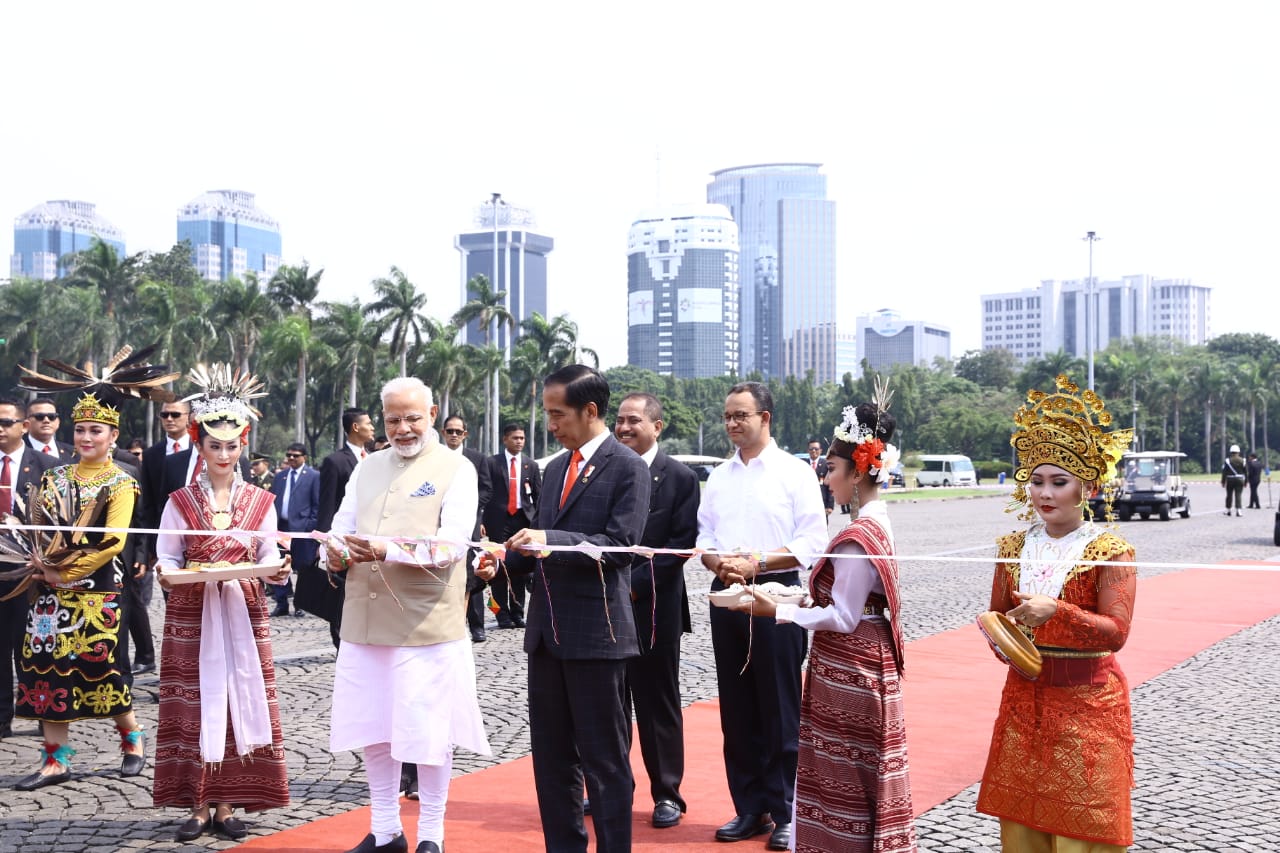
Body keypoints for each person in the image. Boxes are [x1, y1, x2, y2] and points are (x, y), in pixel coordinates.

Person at [732, 389, 916, 851]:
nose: (826, 478)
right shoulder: (876, 520)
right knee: (856, 772)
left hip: (851, 670)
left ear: (857, 472)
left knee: (846, 777)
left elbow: (845, 615)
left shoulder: (857, 537)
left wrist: (778, 609)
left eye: (832, 469)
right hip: (861, 664)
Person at [481, 364, 650, 853]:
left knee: (605, 761)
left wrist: (548, 539)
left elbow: (621, 547)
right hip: (546, 638)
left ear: (590, 411)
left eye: (558, 414)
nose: (550, 424)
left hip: (598, 637)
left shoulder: (627, 467)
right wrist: (502, 566)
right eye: (547, 413)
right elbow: (535, 550)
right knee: (552, 760)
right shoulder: (553, 468)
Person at [325, 377, 489, 853]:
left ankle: (432, 836)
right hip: (364, 619)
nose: (402, 428)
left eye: (412, 417)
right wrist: (333, 555)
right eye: (393, 419)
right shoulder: (366, 467)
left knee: (429, 730)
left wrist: (384, 549)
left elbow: (452, 544)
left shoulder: (457, 468)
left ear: (432, 413)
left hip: (426, 623)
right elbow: (338, 530)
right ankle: (385, 830)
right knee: (372, 727)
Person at [977, 373, 1137, 851]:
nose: (1044, 494)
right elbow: (998, 614)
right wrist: (1001, 633)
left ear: (1087, 487)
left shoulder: (1111, 550)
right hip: (1024, 703)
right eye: (1037, 481)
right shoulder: (1012, 546)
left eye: (1058, 483)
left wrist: (1057, 611)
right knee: (1023, 827)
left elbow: (1116, 633)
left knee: (1080, 833)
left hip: (1089, 702)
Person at [12, 343, 177, 790]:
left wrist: (65, 570)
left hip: (96, 591)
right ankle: (56, 759)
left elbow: (113, 541)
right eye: (81, 430)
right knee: (44, 672)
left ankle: (132, 739)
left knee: (101, 669)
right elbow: (38, 527)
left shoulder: (120, 482)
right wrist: (38, 562)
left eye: (95, 432)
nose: (86, 438)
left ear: (112, 437)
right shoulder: (53, 477)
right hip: (47, 593)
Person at [152, 363, 293, 842]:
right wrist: (170, 574)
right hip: (191, 612)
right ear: (200, 445)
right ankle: (196, 803)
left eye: (232, 446)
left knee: (238, 698)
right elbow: (168, 555)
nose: (224, 454)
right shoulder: (179, 501)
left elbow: (270, 551)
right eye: (215, 445)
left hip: (242, 610)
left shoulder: (261, 500)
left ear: (243, 445)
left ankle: (228, 803)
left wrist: (278, 566)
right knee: (192, 703)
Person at [696, 381, 828, 851]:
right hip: (727, 594)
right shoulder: (719, 476)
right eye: (728, 415)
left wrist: (758, 563)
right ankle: (749, 806)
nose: (733, 423)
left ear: (765, 418)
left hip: (779, 596)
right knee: (737, 706)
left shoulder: (795, 473)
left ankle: (787, 810)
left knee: (780, 705)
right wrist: (718, 563)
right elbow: (704, 535)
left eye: (742, 415)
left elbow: (812, 542)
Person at [613, 392, 700, 829]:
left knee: (657, 706)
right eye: (619, 421)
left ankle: (667, 794)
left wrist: (629, 587)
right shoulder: (604, 472)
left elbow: (681, 545)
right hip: (604, 613)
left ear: (656, 426)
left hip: (653, 612)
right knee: (609, 706)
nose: (624, 428)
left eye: (633, 421)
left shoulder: (680, 478)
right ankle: (614, 789)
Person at [0, 395, 57, 739]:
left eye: (6, 422)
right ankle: (1, 716)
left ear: (23, 426)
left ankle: (40, 709)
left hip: (30, 573)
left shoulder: (47, 467)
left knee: (32, 645)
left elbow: (59, 522)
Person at [304, 407, 374, 647]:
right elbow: (327, 504)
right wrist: (324, 541)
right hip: (342, 539)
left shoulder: (375, 459)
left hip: (367, 541)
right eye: (368, 423)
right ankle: (341, 642)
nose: (373, 427)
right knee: (341, 595)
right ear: (355, 427)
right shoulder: (334, 461)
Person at [482, 422, 541, 629]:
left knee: (520, 567)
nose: (519, 442)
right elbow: (484, 493)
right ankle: (502, 615)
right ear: (505, 439)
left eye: (522, 438)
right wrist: (481, 520)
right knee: (498, 567)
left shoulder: (530, 465)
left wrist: (537, 522)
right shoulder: (491, 463)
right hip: (498, 521)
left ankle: (517, 612)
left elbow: (538, 496)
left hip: (522, 520)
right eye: (515, 438)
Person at [440, 415, 491, 644]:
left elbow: (487, 489)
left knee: (471, 574)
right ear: (443, 433)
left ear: (465, 435)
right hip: (439, 526)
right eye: (449, 431)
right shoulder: (434, 459)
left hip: (469, 527)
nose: (453, 435)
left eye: (457, 431)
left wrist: (467, 508)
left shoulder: (477, 459)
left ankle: (477, 626)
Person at [270, 442, 320, 616]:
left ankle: (300, 605)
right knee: (279, 565)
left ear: (304, 457)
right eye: (289, 455)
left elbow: (317, 505)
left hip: (302, 530)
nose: (291, 458)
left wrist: (309, 525)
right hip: (281, 529)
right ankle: (281, 603)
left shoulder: (313, 476)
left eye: (295, 455)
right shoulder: (280, 476)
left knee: (303, 568)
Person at [806, 438, 834, 516]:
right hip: (805, 504)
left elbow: (830, 486)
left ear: (821, 450)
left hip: (822, 504)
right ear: (808, 450)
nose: (813, 451)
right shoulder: (803, 464)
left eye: (816, 449)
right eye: (811, 449)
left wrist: (830, 505)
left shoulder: (826, 464)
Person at [1222, 444, 1246, 517]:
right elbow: (1245, 472)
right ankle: (1238, 510)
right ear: (1238, 452)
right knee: (1238, 495)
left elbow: (1224, 472)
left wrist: (1223, 481)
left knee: (1229, 495)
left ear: (1231, 452)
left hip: (1230, 479)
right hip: (1240, 479)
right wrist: (1246, 481)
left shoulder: (1227, 460)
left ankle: (1228, 510)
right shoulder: (1243, 460)